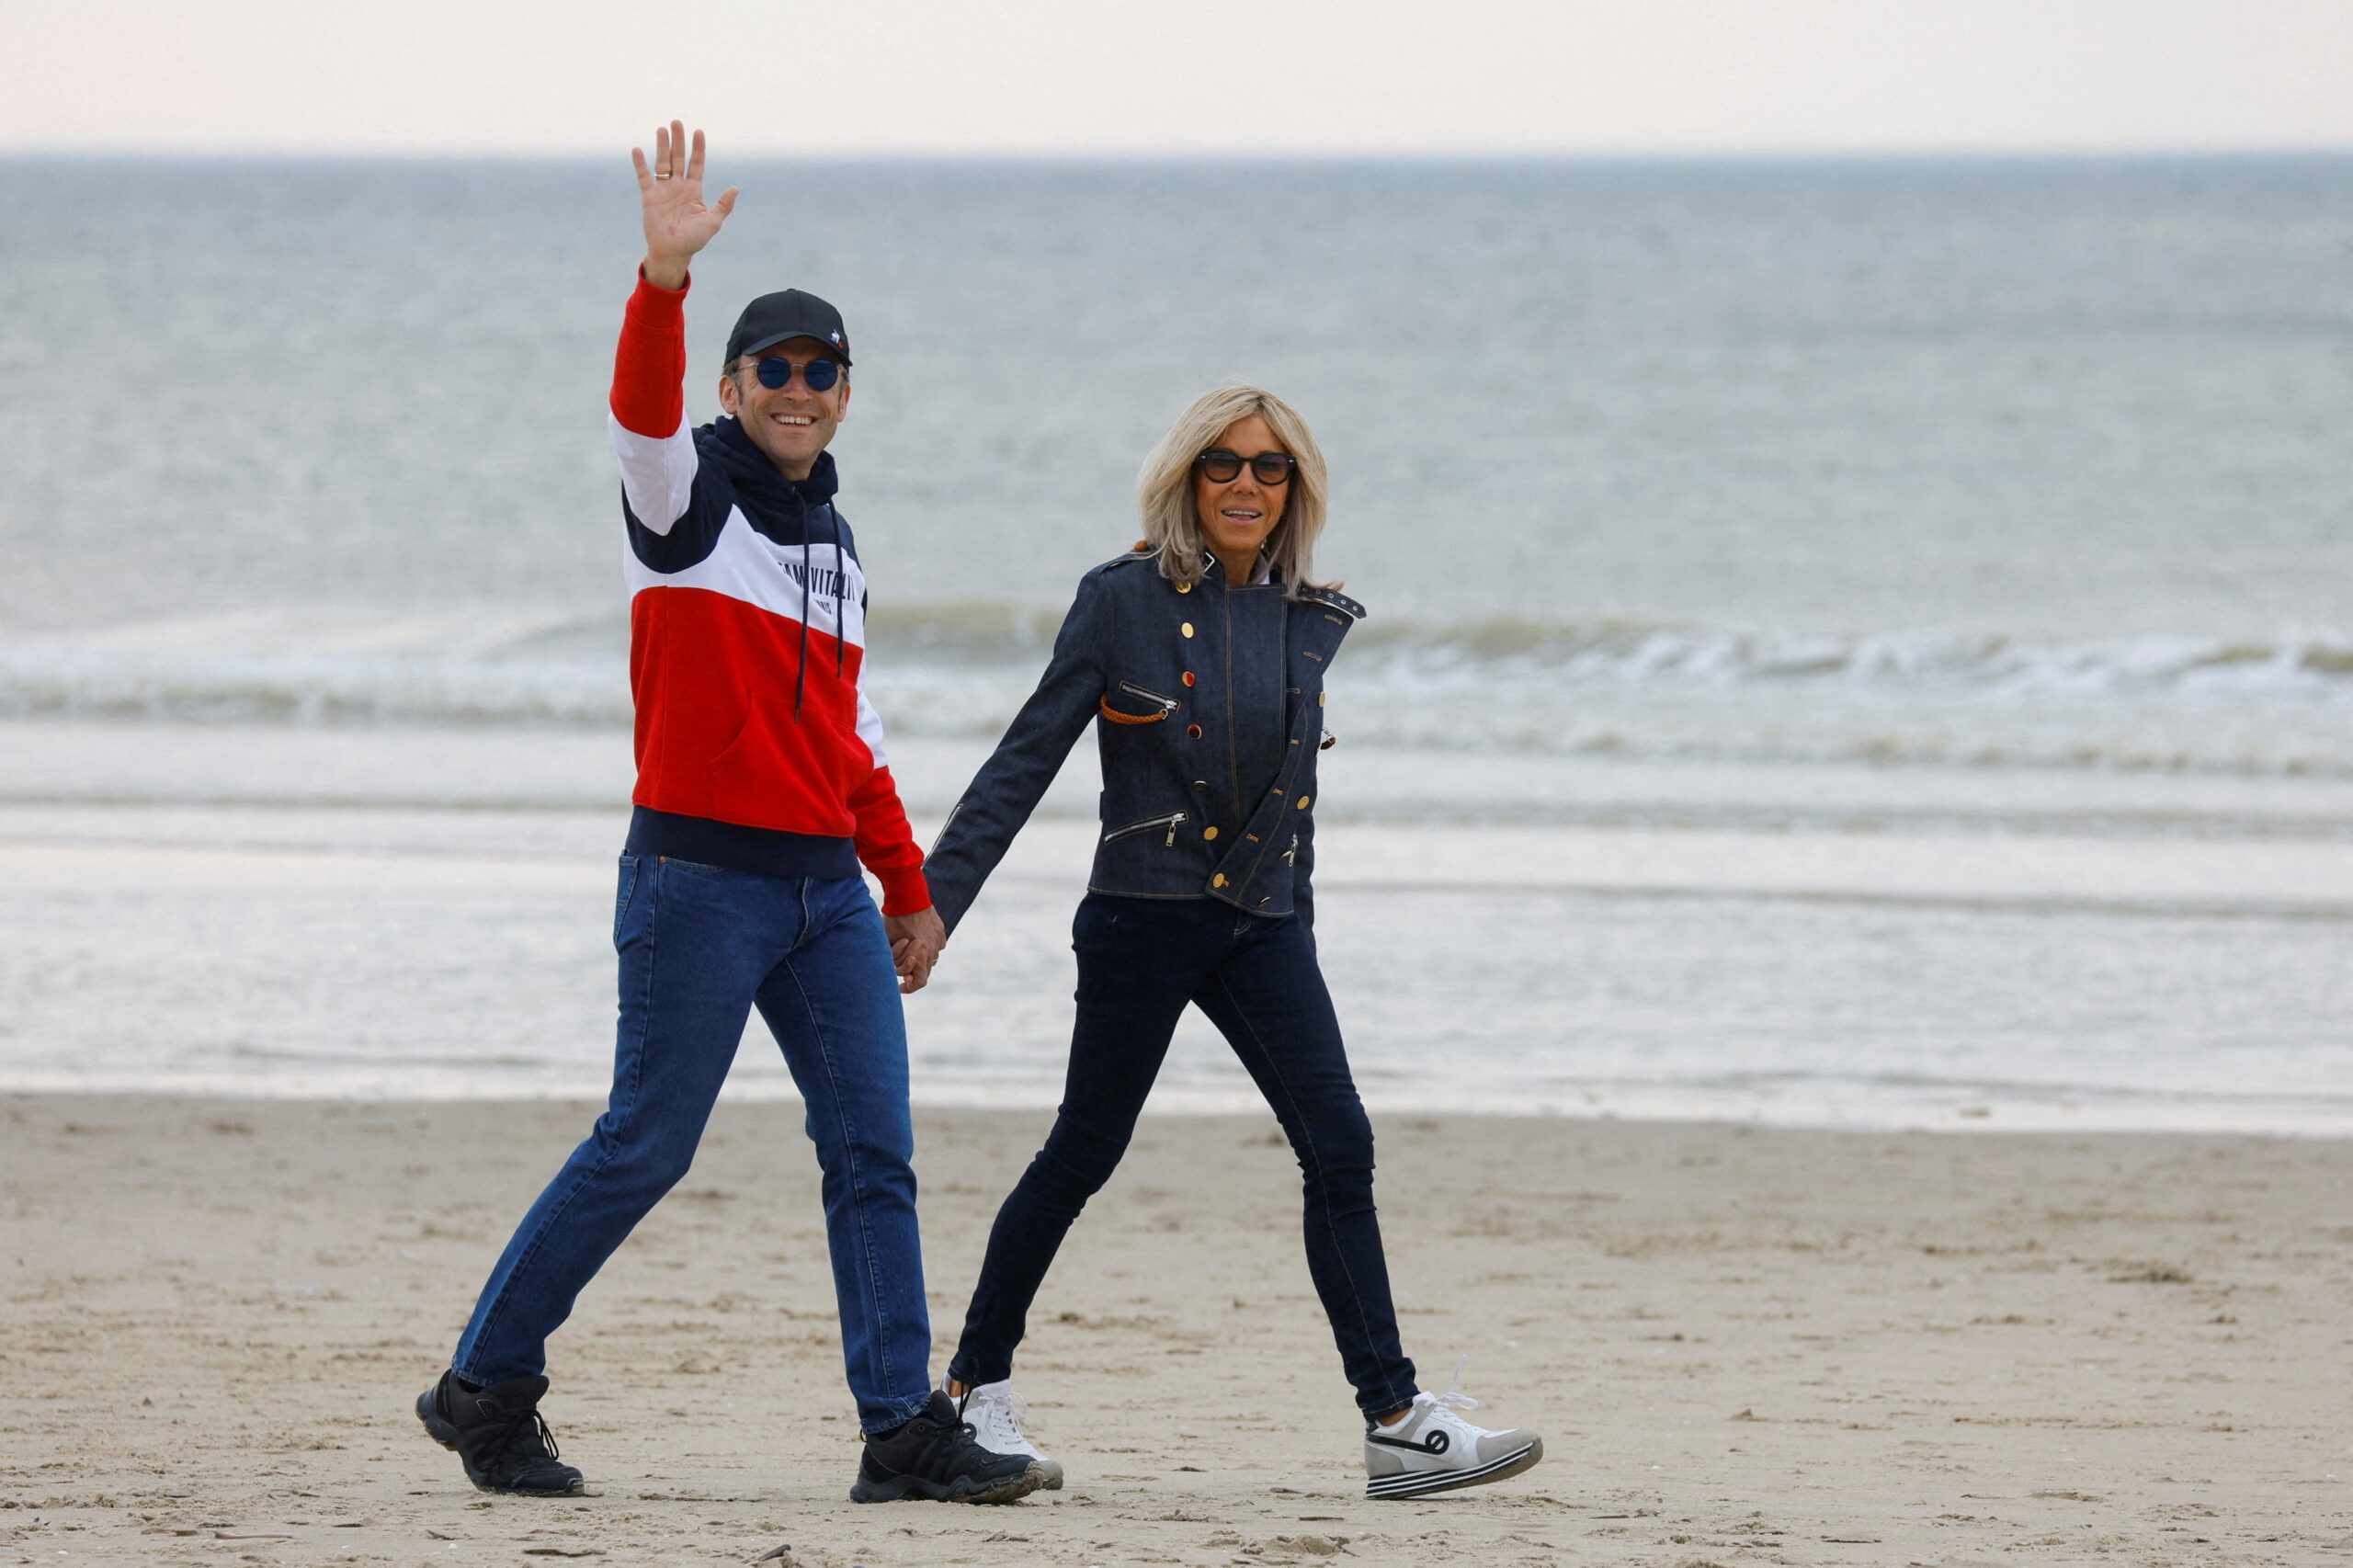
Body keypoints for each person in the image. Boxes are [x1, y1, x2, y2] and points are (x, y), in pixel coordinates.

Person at [413, 122, 1039, 1506]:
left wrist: (907, 887)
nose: (797, 390)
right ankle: (484, 1387)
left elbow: (851, 738)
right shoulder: (684, 498)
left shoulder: (838, 546)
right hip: (697, 880)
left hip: (825, 896)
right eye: (774, 369)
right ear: (733, 384)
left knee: (873, 1151)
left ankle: (900, 1429)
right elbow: (638, 412)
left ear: (847, 394)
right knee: (646, 1142)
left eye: (821, 372)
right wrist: (663, 278)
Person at [920, 386, 1546, 1500]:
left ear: (1295, 487)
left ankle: (1396, 1420)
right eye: (1222, 462)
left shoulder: (1310, 615)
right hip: (1141, 914)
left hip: (1263, 922)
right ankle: (974, 1388)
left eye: (1269, 466)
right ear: (1185, 477)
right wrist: (931, 905)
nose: (1246, 483)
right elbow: (1023, 760)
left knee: (1338, 1143)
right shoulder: (1118, 600)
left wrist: (1297, 918)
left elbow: (1290, 798)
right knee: (1081, 1153)